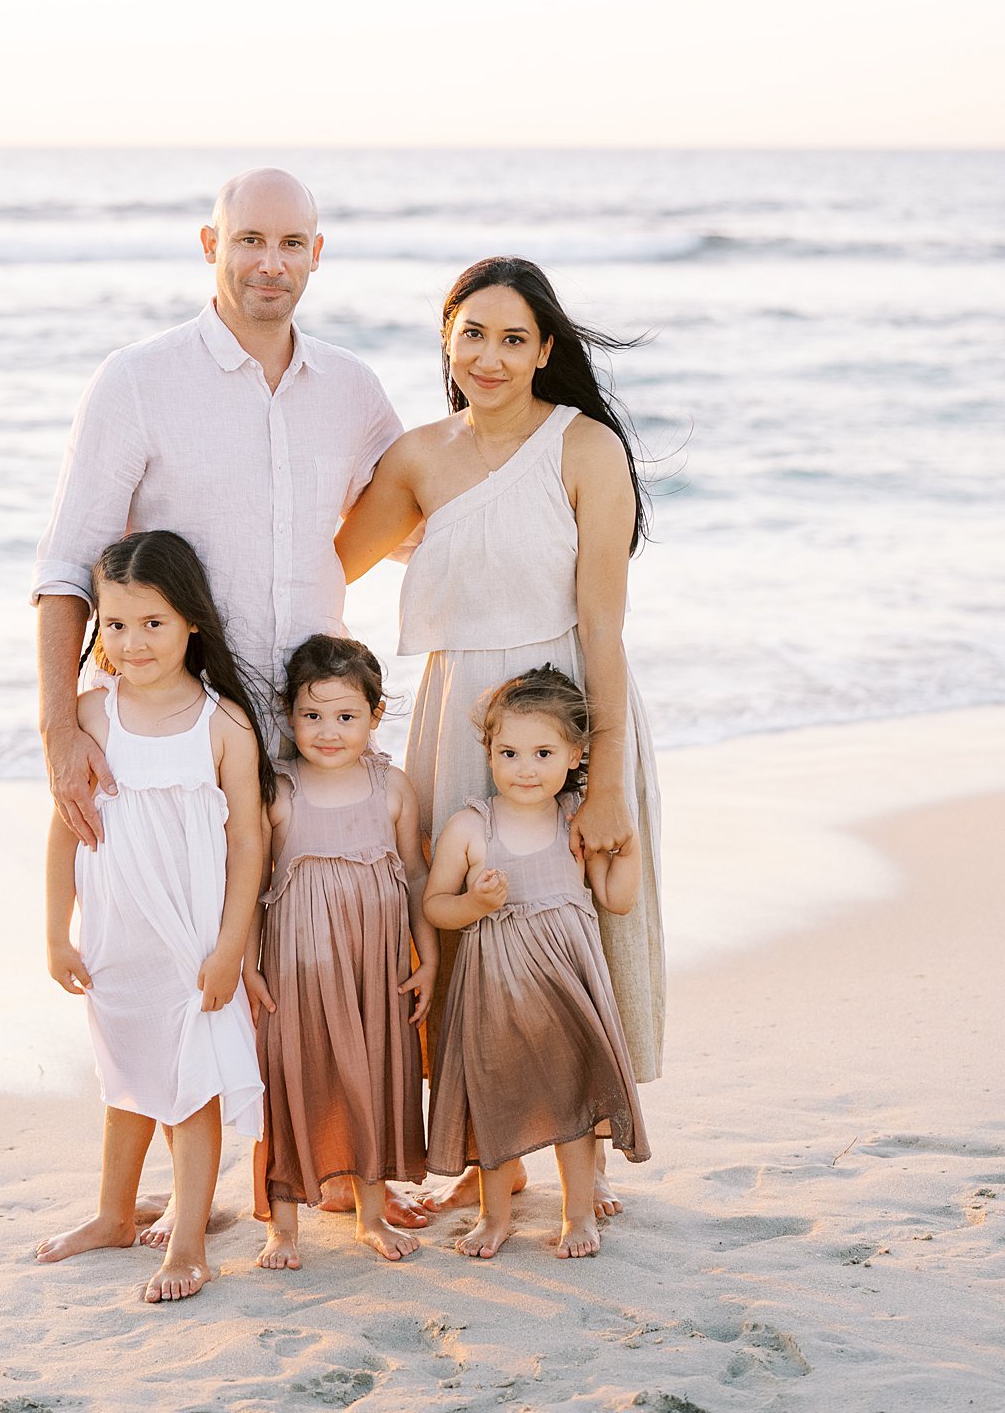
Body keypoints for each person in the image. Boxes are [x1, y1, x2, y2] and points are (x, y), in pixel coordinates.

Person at [335, 256, 665, 1216]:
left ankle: (585, 1143)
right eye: (472, 333)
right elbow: (322, 571)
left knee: (581, 920)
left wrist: (603, 775)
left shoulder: (584, 449)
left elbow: (602, 627)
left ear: (545, 351)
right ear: (446, 338)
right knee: (469, 921)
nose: (489, 354)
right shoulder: (416, 458)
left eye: (513, 338)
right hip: (458, 715)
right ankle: (494, 1154)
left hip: (566, 711)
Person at [33, 168, 401, 852]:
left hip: (312, 736)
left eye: (292, 243)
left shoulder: (352, 388)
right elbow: (66, 570)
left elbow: (415, 523)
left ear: (316, 254)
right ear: (210, 243)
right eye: (250, 240)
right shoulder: (136, 381)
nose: (271, 262)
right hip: (169, 736)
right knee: (175, 946)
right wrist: (59, 733)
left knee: (310, 949)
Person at [36, 531, 273, 1303]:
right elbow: (63, 830)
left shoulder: (222, 724)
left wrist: (231, 947)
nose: (131, 643)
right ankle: (111, 1215)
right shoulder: (91, 714)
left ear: (191, 623)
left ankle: (190, 1243)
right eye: (114, 625)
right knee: (125, 1077)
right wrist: (54, 932)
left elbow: (248, 840)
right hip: (115, 937)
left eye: (153, 624)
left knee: (191, 1087)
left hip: (193, 940)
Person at [423, 667, 649, 1261]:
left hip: (565, 987)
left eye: (543, 752)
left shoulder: (576, 821)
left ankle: (578, 1215)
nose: (526, 767)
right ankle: (494, 1218)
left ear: (577, 756)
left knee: (572, 1104)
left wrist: (630, 848)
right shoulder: (472, 826)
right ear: (489, 753)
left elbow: (616, 898)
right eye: (509, 752)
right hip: (494, 992)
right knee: (496, 1102)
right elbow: (436, 905)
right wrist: (475, 902)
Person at [246, 635, 436, 1271]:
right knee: (291, 1077)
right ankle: (282, 1225)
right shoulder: (277, 789)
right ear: (289, 714)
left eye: (346, 716)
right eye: (312, 715)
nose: (328, 731)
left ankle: (370, 1214)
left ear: (376, 716)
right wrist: (246, 961)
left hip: (376, 965)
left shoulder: (393, 788)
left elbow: (414, 876)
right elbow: (246, 882)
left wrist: (426, 956)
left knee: (375, 1072)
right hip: (296, 965)